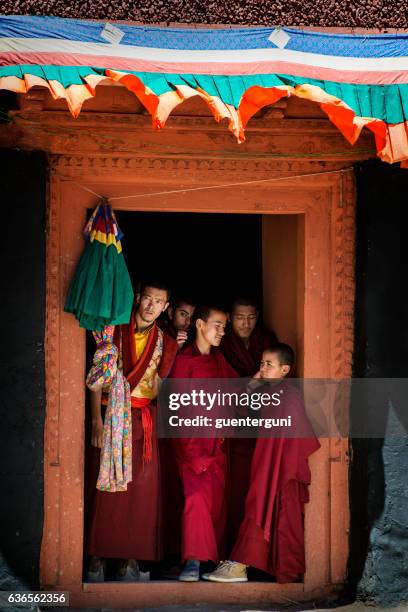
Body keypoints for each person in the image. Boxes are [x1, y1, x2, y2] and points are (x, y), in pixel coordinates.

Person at [203, 343, 320, 583]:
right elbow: (239, 410)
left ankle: (239, 567)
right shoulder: (268, 391)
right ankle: (241, 564)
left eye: (269, 364)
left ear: (285, 370)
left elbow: (290, 436)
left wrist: (271, 467)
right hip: (265, 463)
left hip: (280, 468)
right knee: (257, 506)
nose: (263, 368)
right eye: (261, 363)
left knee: (262, 508)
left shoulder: (289, 397)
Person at [87, 281, 178, 582]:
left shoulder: (167, 343)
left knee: (140, 491)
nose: (151, 306)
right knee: (106, 490)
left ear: (166, 307)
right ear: (138, 299)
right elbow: (98, 377)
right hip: (111, 417)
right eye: (148, 299)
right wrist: (97, 422)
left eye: (159, 302)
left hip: (143, 422)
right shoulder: (114, 330)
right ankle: (97, 557)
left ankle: (130, 560)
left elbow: (163, 390)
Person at [169, 305, 238, 581]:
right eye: (217, 325)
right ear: (199, 324)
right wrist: (188, 448)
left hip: (216, 445)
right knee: (195, 498)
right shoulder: (183, 360)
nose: (222, 331)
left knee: (215, 503)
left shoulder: (220, 360)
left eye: (224, 327)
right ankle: (193, 561)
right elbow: (173, 407)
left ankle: (210, 560)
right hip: (190, 445)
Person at [220, 297, 278, 547]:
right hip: (233, 421)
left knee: (260, 483)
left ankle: (256, 546)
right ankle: (232, 544)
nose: (246, 323)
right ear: (230, 318)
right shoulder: (222, 344)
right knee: (235, 485)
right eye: (241, 317)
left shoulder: (266, 341)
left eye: (252, 317)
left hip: (262, 419)